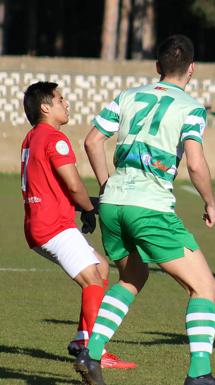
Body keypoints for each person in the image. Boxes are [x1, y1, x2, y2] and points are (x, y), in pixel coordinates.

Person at [73, 35, 215, 385]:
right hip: (150, 208)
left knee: (132, 277)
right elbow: (196, 165)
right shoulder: (191, 107)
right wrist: (210, 203)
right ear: (192, 69)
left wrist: (106, 184)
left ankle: (91, 352)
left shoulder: (127, 96)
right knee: (206, 289)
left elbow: (93, 139)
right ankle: (199, 376)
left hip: (112, 206)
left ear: (157, 67)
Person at [20, 81, 135, 370]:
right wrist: (88, 207)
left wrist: (84, 206)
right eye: (61, 99)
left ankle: (82, 338)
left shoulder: (31, 137)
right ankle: (97, 352)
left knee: (100, 266)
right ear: (46, 107)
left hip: (39, 224)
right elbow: (72, 184)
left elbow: (48, 185)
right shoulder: (55, 138)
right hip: (53, 226)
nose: (66, 103)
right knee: (93, 281)